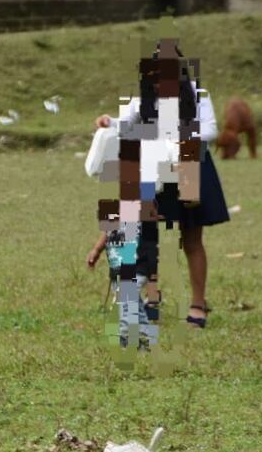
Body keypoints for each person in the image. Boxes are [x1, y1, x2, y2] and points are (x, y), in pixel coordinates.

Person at [93, 41, 228, 330]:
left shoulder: (198, 93)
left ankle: (198, 305)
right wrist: (109, 122)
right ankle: (151, 297)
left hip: (191, 166)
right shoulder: (143, 98)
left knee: (191, 239)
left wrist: (179, 134)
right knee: (149, 233)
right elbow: (125, 122)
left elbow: (211, 129)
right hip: (155, 169)